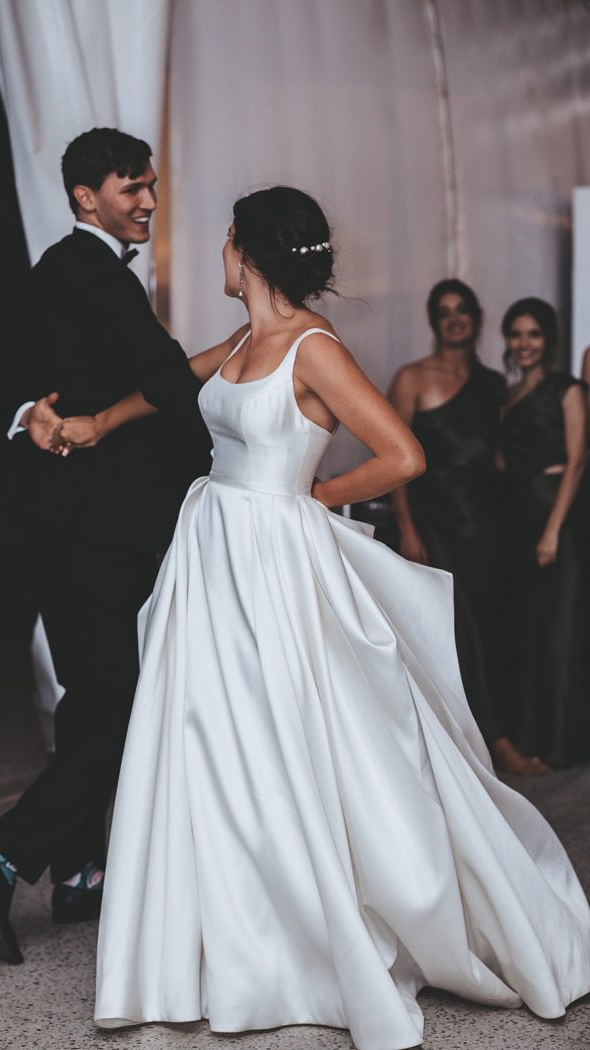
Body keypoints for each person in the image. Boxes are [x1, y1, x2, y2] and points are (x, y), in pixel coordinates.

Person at [65, 189, 590, 1050]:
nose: (220, 252)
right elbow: (170, 388)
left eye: (227, 239)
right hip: (210, 555)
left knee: (292, 737)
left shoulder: (313, 347)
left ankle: (309, 939)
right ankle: (222, 932)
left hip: (273, 560)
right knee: (209, 735)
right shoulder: (243, 339)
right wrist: (97, 421)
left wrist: (312, 496)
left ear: (250, 253)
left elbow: (402, 454)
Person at [0, 128, 210, 964]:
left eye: (152, 185)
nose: (149, 201)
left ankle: (80, 876)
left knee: (93, 699)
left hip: (66, 528)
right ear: (84, 197)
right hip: (100, 530)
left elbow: (4, 367)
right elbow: (165, 382)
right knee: (120, 700)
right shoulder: (91, 271)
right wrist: (244, 350)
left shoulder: (58, 273)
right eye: (132, 187)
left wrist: (32, 410)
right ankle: (1, 854)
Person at [388, 279, 545, 776]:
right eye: (443, 311)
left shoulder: (495, 384)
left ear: (476, 318)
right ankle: (493, 744)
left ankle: (492, 733)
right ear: (434, 321)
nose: (454, 319)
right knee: (463, 634)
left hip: (490, 525)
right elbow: (394, 462)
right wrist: (408, 531)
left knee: (495, 628)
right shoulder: (411, 378)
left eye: (462, 311)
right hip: (436, 527)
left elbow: (507, 456)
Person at [499, 298, 587, 767]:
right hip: (517, 520)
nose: (524, 343)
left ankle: (562, 745)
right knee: (528, 632)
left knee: (560, 633)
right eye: (516, 334)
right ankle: (533, 737)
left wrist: (552, 530)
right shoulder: (509, 395)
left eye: (533, 334)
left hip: (557, 522)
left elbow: (577, 461)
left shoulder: (568, 389)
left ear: (548, 339)